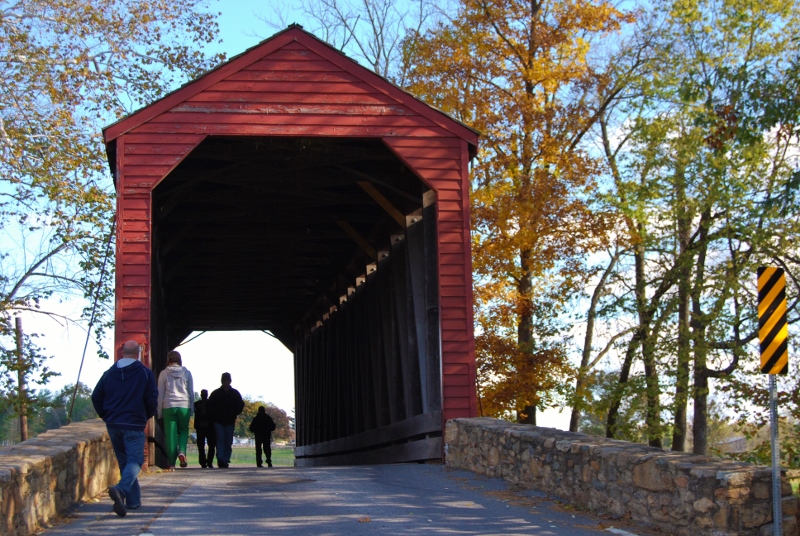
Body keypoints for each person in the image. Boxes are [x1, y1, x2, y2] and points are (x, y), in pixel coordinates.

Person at [91, 340, 158, 517]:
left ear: (122, 352)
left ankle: (133, 502)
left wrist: (106, 415)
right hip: (134, 423)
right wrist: (146, 415)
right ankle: (120, 490)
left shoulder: (109, 373)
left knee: (124, 463)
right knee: (135, 461)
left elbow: (96, 396)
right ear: (138, 353)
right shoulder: (144, 373)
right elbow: (152, 399)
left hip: (113, 424)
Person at [157, 350, 194, 469]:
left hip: (169, 405)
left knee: (170, 434)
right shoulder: (187, 373)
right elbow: (191, 392)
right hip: (184, 405)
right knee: (183, 431)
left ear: (168, 360)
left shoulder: (163, 373)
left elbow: (160, 394)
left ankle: (171, 463)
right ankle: (182, 451)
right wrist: (191, 409)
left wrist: (159, 411)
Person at [208, 372, 244, 468]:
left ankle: (225, 459)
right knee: (220, 440)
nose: (226, 381)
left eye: (227, 379)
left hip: (230, 421)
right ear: (222, 380)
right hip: (218, 421)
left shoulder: (235, 393)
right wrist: (214, 415)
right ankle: (221, 459)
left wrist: (234, 413)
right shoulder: (216, 394)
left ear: (230, 381)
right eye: (224, 379)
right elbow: (210, 406)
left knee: (228, 441)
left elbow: (240, 405)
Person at [194, 389, 216, 468]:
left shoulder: (197, 404)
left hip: (206, 427)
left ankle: (206, 462)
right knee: (207, 446)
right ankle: (206, 462)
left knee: (205, 446)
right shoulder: (210, 404)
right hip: (205, 427)